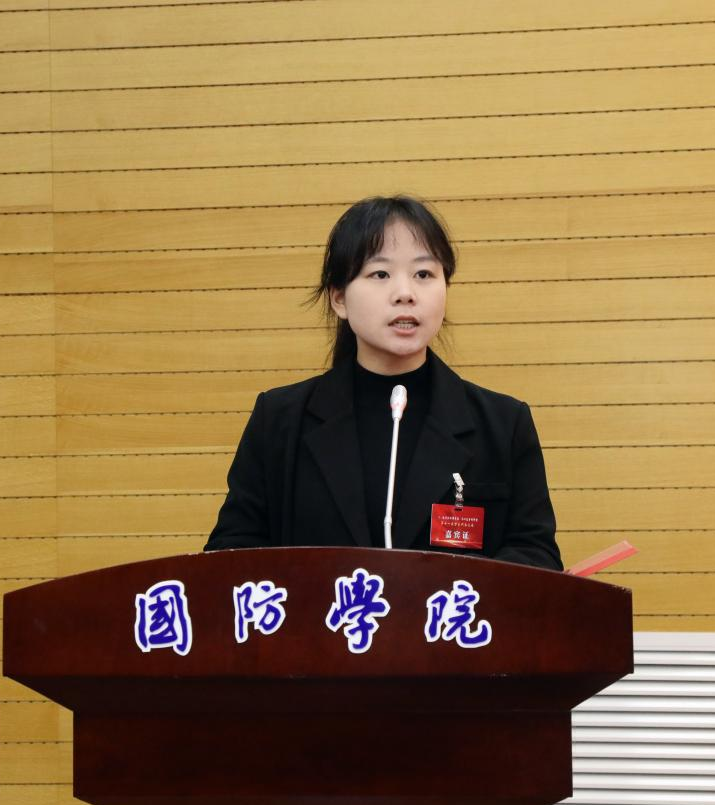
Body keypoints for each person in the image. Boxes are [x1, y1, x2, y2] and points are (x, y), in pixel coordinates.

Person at [204, 195, 562, 572]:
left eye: (424, 274)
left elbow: (536, 555)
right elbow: (230, 554)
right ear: (339, 298)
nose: (405, 293)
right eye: (380, 274)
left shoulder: (503, 424)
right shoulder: (279, 419)